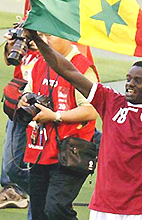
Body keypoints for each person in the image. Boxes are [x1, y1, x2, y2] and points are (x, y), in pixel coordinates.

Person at [24, 29, 142, 220]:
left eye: (138, 81)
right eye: (128, 78)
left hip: (140, 206)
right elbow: (68, 71)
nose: (130, 84)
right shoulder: (111, 101)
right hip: (105, 203)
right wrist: (39, 41)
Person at [18, 33, 98, 220]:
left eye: (49, 36)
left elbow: (92, 110)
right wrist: (24, 100)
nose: (43, 41)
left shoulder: (81, 66)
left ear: (66, 36)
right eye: (41, 36)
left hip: (70, 153)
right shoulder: (41, 62)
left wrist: (55, 116)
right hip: (40, 150)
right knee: (38, 212)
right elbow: (29, 92)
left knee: (56, 209)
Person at [0, 32, 40, 210]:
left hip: (46, 100)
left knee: (15, 168)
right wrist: (13, 45)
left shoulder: (59, 21)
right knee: (12, 167)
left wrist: (42, 44)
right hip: (20, 101)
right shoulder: (29, 20)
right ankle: (15, 190)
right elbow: (12, 59)